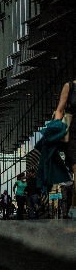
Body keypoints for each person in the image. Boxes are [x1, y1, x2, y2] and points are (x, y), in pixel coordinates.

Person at [54, 79, 76, 208]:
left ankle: (73, 206)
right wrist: (55, 128)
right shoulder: (70, 86)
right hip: (74, 133)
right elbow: (59, 110)